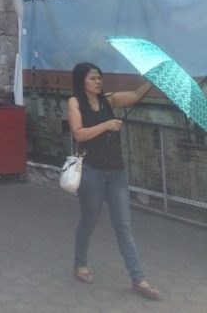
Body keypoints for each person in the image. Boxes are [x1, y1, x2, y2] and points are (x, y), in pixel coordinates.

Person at [67, 62, 160, 301]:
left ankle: (139, 279)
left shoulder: (110, 99)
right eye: (93, 78)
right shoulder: (75, 102)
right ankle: (80, 264)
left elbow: (137, 95)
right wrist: (107, 125)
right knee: (89, 220)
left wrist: (152, 78)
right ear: (82, 81)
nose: (98, 81)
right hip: (91, 171)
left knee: (123, 226)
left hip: (116, 171)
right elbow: (79, 133)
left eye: (99, 77)